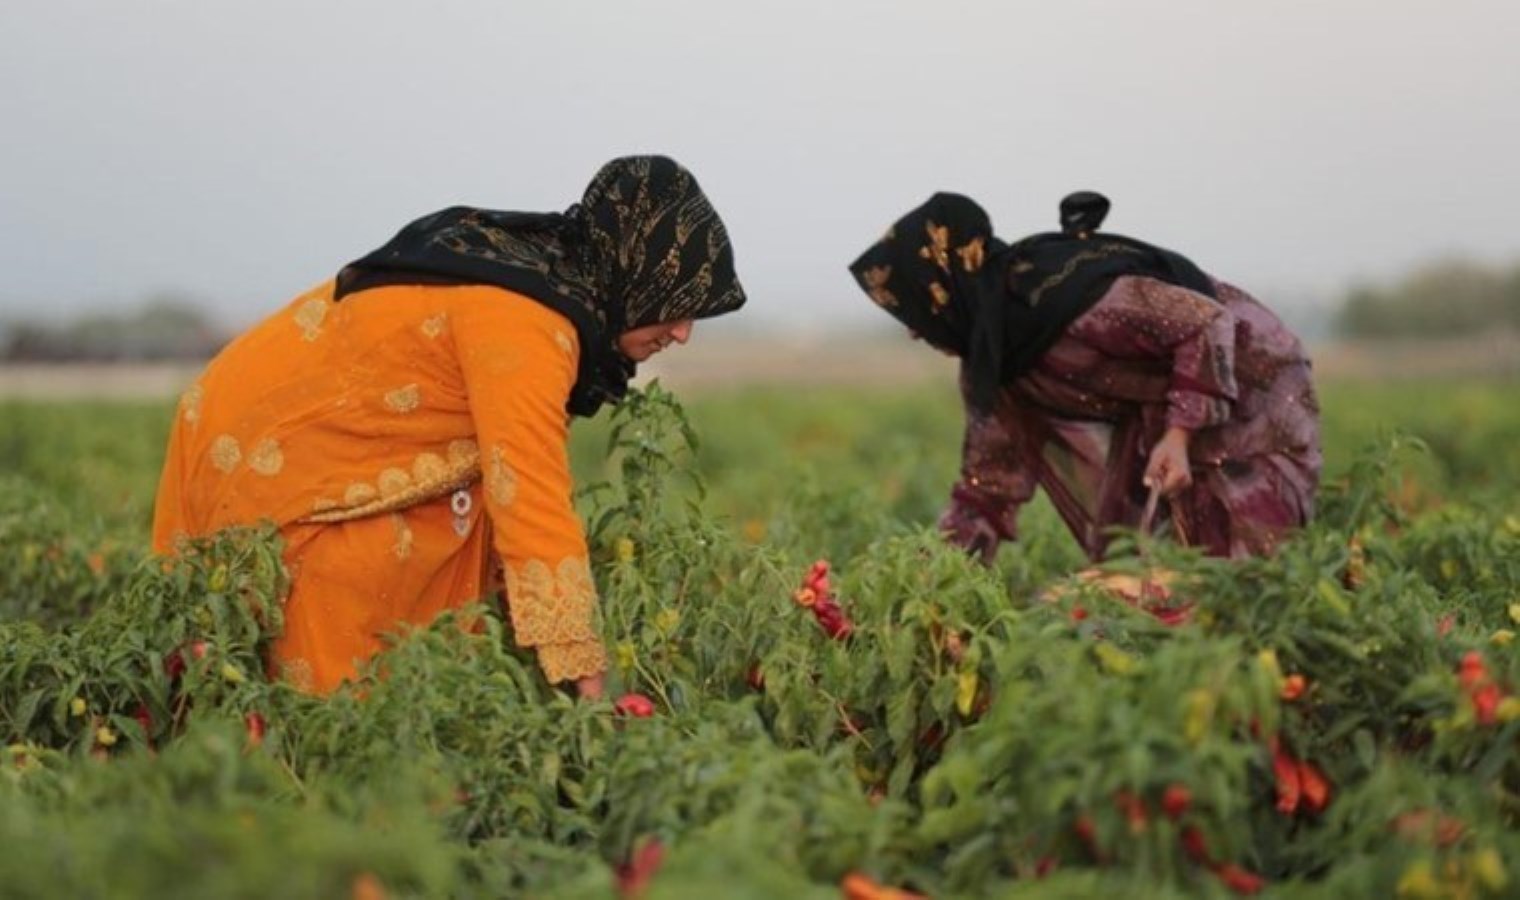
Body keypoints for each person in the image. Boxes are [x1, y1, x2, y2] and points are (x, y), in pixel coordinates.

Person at [152, 155, 745, 698]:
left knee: (449, 558)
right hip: (267, 451)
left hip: (271, 429)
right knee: (342, 693)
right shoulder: (529, 324)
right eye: (676, 302)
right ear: (631, 274)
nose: (684, 331)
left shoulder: (543, 291)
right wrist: (585, 681)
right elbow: (530, 494)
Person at [848, 191, 1320, 563]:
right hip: (1162, 405)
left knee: (1242, 554)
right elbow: (987, 487)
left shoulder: (1067, 299)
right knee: (1136, 556)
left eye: (913, 309)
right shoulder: (992, 365)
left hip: (1246, 377)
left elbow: (1205, 322)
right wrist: (934, 583)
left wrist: (1179, 435)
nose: (913, 330)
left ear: (944, 291)